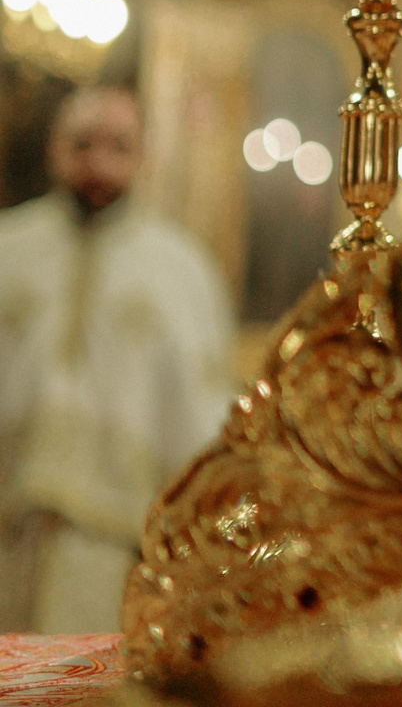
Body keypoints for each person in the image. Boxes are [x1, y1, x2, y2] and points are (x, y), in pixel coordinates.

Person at [0, 86, 235, 633]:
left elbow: (202, 411)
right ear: (54, 147)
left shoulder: (182, 270)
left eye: (118, 147)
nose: (98, 164)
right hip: (8, 524)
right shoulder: (9, 248)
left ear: (144, 155)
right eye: (82, 144)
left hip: (117, 543)